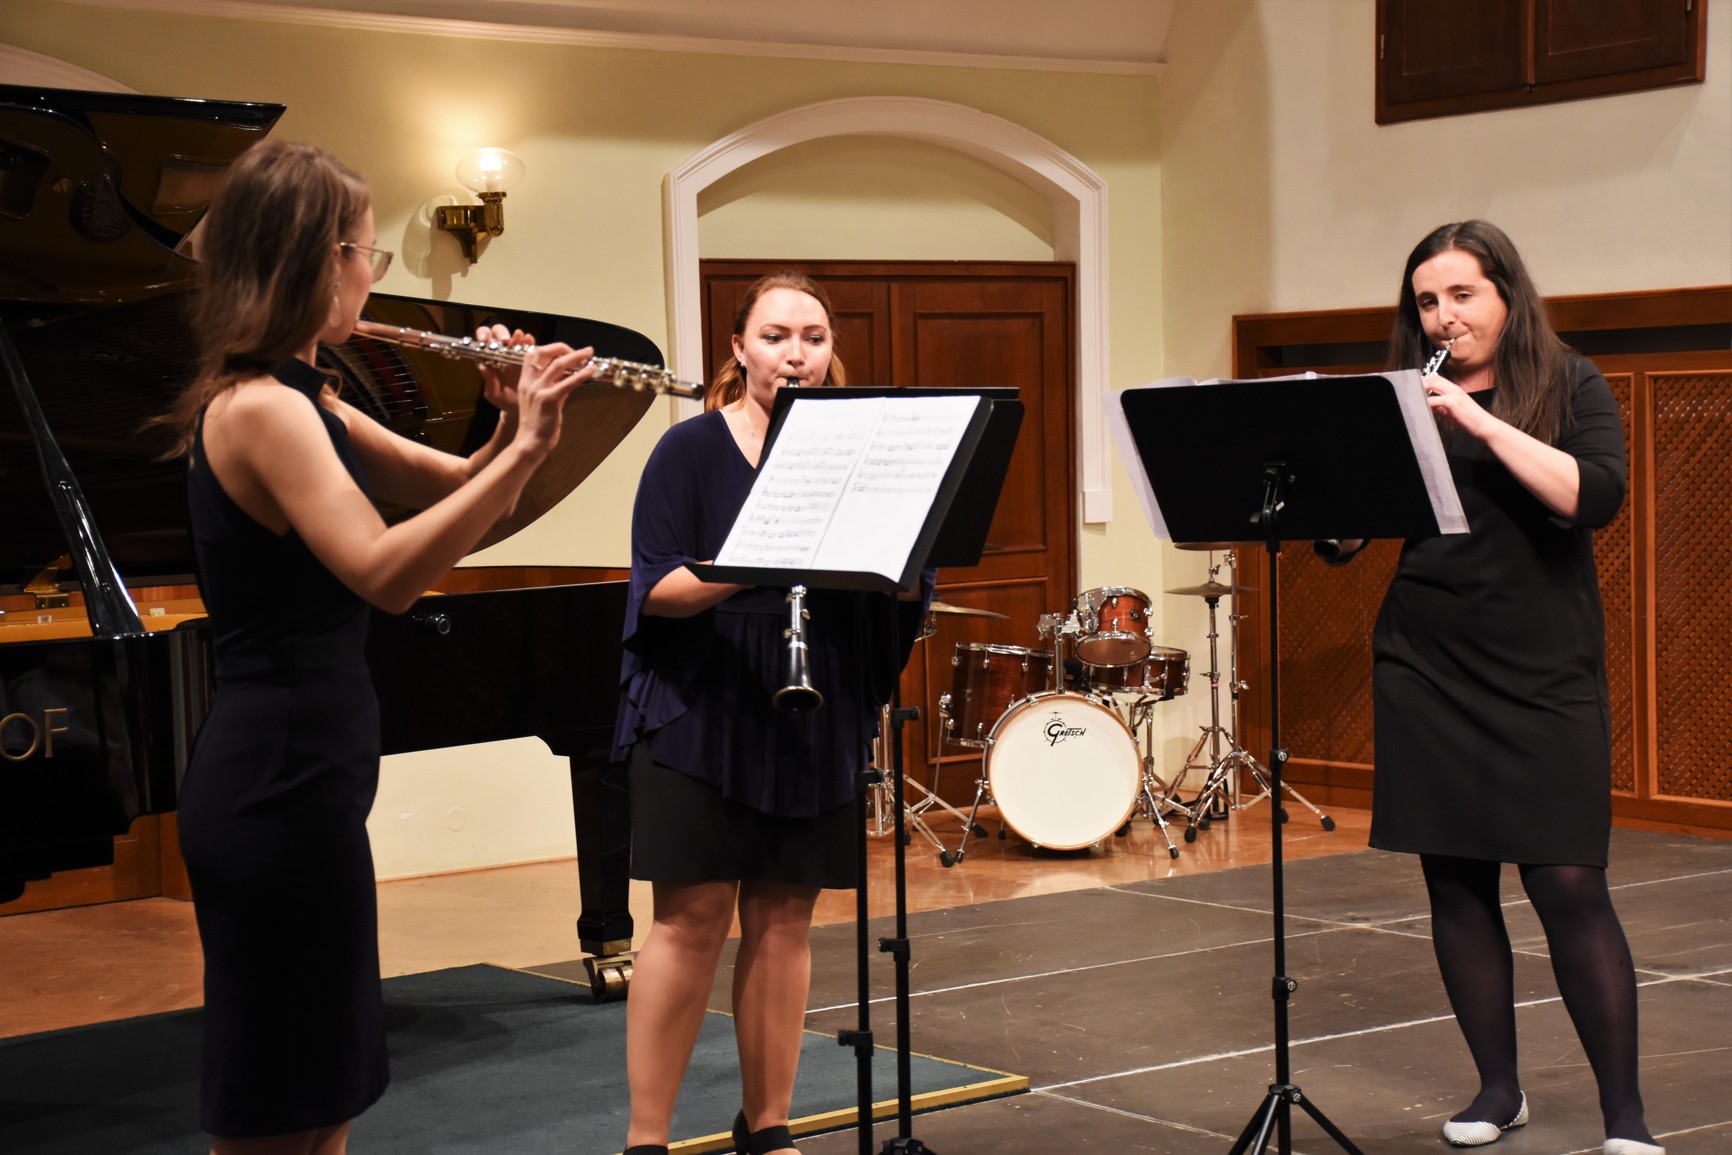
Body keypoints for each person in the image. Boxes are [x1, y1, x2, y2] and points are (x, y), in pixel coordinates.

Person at [164, 138, 594, 1155]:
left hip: (311, 783)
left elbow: (461, 495)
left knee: (324, 1095)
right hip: (274, 787)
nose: (372, 274)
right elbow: (386, 574)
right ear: (322, 263)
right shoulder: (263, 411)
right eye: (368, 252)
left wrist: (506, 424)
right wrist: (528, 447)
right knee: (278, 1106)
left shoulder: (311, 400)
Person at [1321, 221, 1659, 1155]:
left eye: (1462, 294)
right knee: (1457, 883)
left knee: (1568, 881)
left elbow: (1592, 497)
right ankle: (1497, 1088)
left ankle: (1625, 1114)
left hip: (1543, 667)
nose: (1444, 315)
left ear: (1507, 293)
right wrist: (1337, 494)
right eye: (1428, 301)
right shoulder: (1402, 396)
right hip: (1426, 661)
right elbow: (1344, 537)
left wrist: (1474, 419)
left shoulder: (1570, 382)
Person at [614, 272, 930, 1155]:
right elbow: (657, 587)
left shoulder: (864, 455)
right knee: (691, 918)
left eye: (814, 338)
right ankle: (646, 1139)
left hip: (812, 700)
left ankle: (768, 1127)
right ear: (739, 347)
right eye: (777, 336)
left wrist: (908, 558)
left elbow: (903, 588)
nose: (797, 355)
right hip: (701, 704)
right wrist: (759, 556)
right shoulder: (688, 450)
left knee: (785, 918)